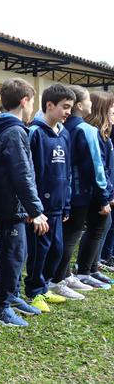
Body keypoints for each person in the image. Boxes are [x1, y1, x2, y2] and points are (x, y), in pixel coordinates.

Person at [0, 78, 48, 327]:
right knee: (12, 256)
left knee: (17, 253)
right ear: (24, 101)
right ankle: (0, 306)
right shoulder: (14, 132)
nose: (33, 107)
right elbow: (22, 174)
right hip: (10, 206)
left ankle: (12, 295)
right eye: (32, 101)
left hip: (12, 205)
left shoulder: (9, 128)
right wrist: (36, 210)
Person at [25, 84, 78, 312]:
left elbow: (67, 171)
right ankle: (34, 291)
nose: (68, 112)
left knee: (56, 250)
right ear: (49, 105)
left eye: (70, 108)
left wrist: (66, 203)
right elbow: (29, 173)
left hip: (58, 206)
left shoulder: (64, 134)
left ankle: (44, 285)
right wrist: (32, 209)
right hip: (41, 209)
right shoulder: (34, 132)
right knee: (40, 251)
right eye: (65, 107)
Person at [49, 86, 103, 294]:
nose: (91, 104)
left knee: (66, 237)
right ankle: (57, 279)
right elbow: (96, 166)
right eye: (89, 100)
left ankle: (63, 274)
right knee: (71, 237)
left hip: (65, 190)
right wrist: (104, 196)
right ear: (80, 105)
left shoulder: (62, 127)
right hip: (79, 193)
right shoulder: (84, 129)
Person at [72, 91, 114, 287]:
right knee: (94, 229)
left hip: (100, 191)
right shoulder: (92, 133)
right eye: (111, 109)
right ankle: (84, 270)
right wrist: (106, 195)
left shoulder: (104, 135)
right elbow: (97, 168)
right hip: (91, 193)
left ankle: (92, 268)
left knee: (102, 226)